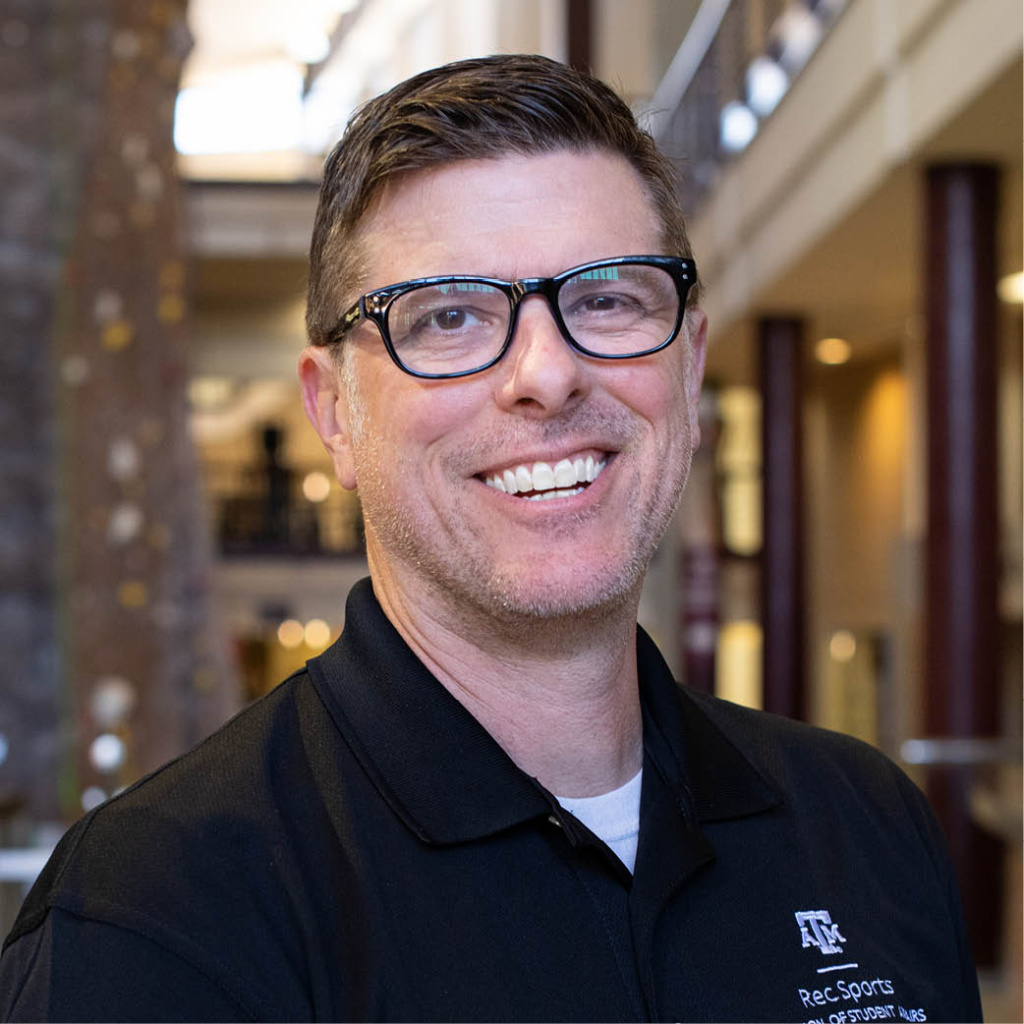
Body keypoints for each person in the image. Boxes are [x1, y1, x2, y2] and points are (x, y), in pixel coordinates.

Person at [1, 54, 981, 1023]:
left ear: (688, 370)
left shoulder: (864, 825)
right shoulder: (154, 915)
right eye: (452, 318)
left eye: (605, 298)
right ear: (334, 411)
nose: (546, 375)